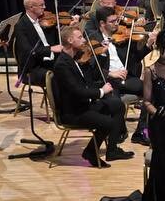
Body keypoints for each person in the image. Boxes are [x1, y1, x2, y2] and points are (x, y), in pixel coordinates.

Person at [51, 24, 130, 168]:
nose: (84, 40)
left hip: (82, 105)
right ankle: (90, 152)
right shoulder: (62, 65)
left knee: (117, 105)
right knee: (108, 122)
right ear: (69, 40)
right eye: (80, 37)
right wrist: (101, 92)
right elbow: (77, 91)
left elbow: (88, 81)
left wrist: (101, 57)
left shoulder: (74, 59)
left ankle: (112, 150)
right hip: (73, 112)